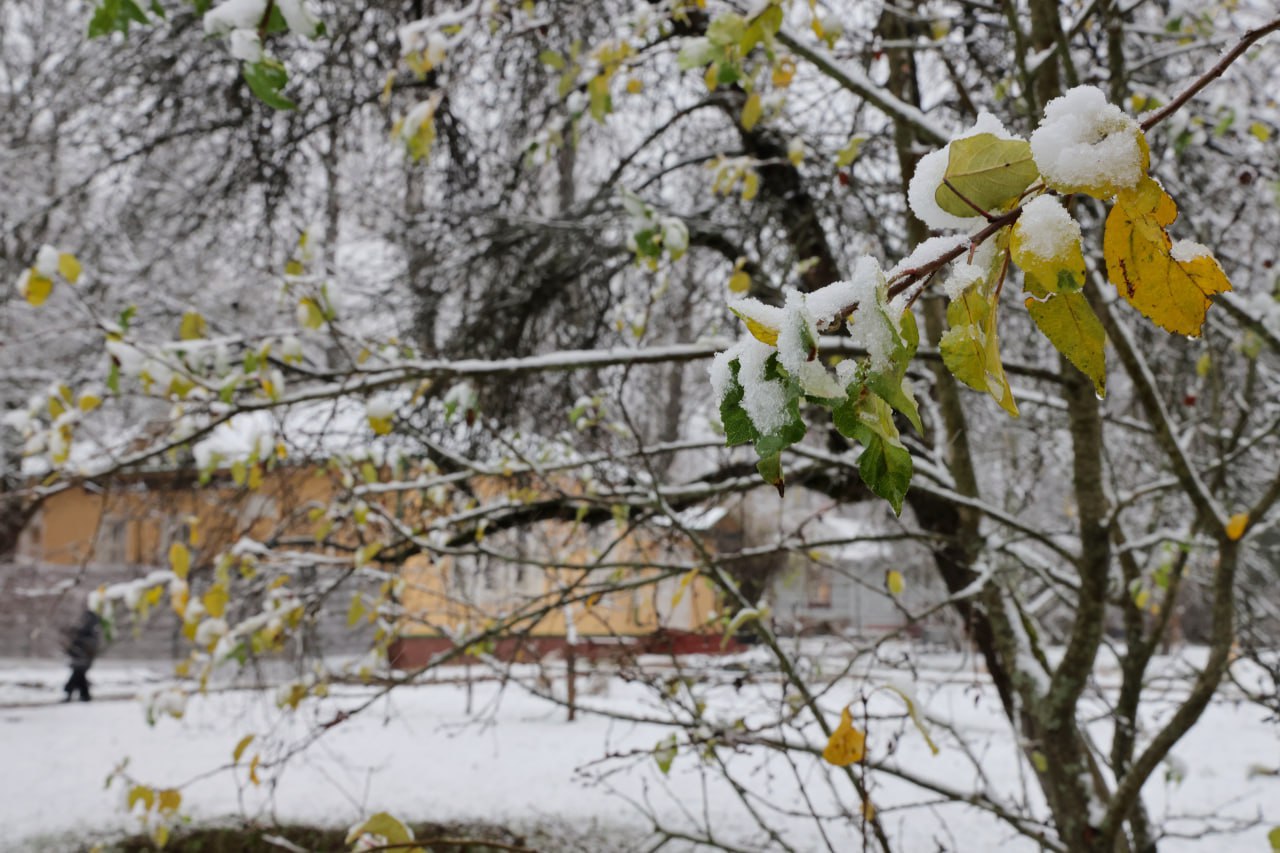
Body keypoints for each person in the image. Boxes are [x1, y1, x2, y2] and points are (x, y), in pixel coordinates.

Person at [62, 609, 102, 702]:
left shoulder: (91, 631)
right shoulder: (87, 630)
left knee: (77, 677)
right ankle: (84, 695)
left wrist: (76, 647)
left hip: (83, 659)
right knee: (80, 678)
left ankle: (74, 694)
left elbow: (89, 645)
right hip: (81, 659)